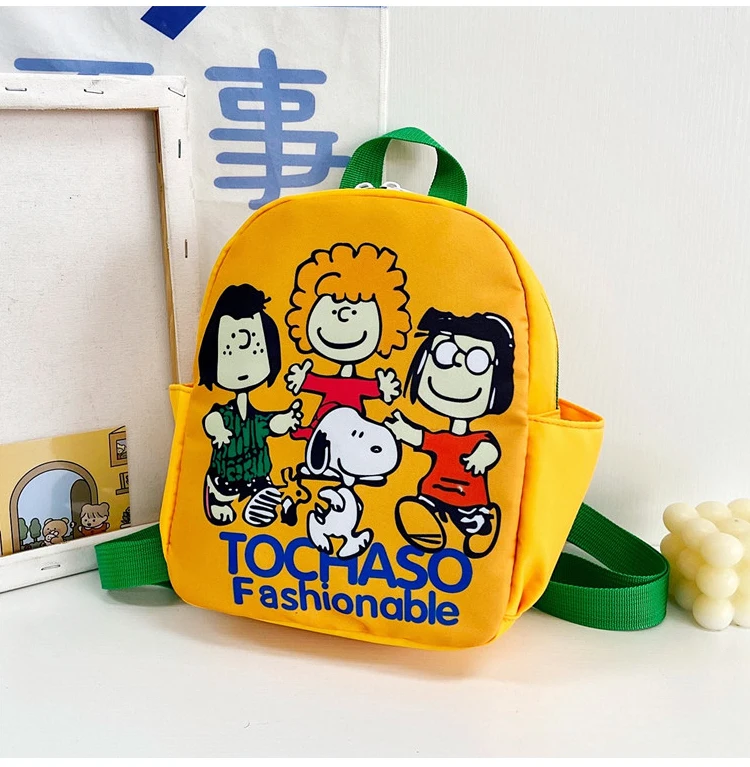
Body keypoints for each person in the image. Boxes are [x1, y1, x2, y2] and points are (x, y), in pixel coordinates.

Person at [385, 308, 515, 559]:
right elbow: (422, 438)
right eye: (443, 354)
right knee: (424, 506)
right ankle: (425, 524)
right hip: (434, 492)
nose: (456, 366)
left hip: (469, 497)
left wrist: (483, 456)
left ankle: (484, 524)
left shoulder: (478, 439)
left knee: (470, 520)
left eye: (477, 361)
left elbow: (490, 448)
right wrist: (402, 429)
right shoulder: (441, 438)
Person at [284, 242, 412, 440]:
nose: (343, 318)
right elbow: (316, 383)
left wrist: (383, 388)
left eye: (355, 312)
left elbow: (370, 388)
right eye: (332, 311)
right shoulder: (336, 384)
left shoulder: (355, 385)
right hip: (323, 428)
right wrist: (302, 379)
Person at [198, 284, 302, 527]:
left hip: (256, 473)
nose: (242, 364)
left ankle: (264, 502)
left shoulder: (256, 419)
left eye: (257, 351)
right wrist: (218, 431)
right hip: (227, 472)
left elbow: (272, 424)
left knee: (262, 485)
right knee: (225, 488)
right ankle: (218, 498)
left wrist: (287, 419)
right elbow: (211, 419)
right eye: (228, 352)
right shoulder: (225, 413)